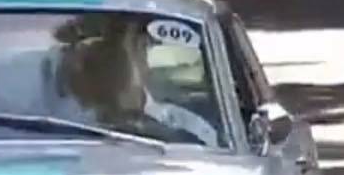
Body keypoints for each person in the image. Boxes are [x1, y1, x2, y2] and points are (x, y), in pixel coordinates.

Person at [45, 17, 221, 147]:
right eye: (87, 51)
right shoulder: (48, 129)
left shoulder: (187, 128)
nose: (100, 60)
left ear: (141, 51)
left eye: (109, 48)